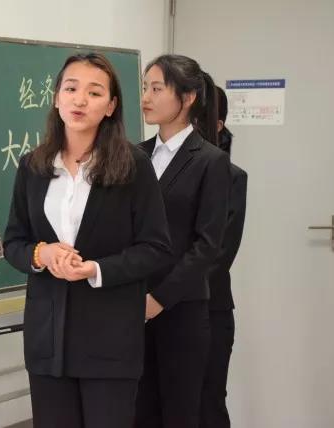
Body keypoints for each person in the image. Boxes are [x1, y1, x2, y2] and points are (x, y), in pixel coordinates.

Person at [3, 52, 172, 428]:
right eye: (71, 89)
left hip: (109, 340)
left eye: (94, 93)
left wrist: (95, 269)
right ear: (56, 98)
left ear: (110, 106)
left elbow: (156, 248)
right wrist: (43, 253)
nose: (80, 100)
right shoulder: (33, 166)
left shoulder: (133, 166)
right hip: (48, 340)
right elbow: (13, 241)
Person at [134, 54, 231, 428]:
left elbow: (207, 245)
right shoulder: (135, 155)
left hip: (182, 311)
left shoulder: (210, 160)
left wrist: (159, 299)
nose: (146, 97)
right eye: (145, 87)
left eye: (157, 89)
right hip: (132, 307)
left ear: (187, 97)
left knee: (179, 414)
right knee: (138, 413)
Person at [200, 86, 248, 428]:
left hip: (208, 308)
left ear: (218, 125)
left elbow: (219, 254)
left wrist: (167, 294)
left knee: (208, 404)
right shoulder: (151, 169)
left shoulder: (232, 178)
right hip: (153, 311)